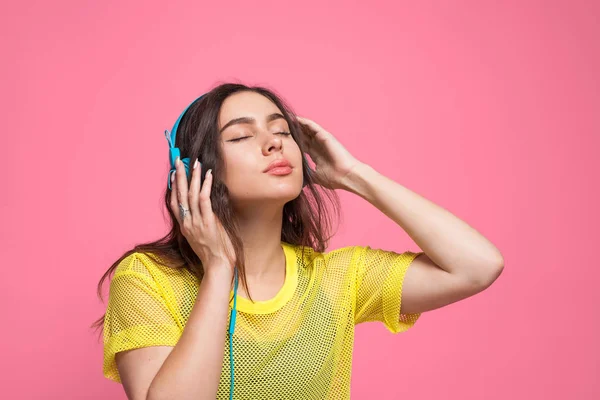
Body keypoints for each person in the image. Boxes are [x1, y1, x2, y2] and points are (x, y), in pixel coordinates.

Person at [91, 83, 504, 400]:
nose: (274, 142)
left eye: (282, 131)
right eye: (240, 137)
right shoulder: (146, 278)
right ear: (191, 171)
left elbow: (478, 265)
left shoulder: (337, 278)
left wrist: (354, 176)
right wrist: (219, 267)